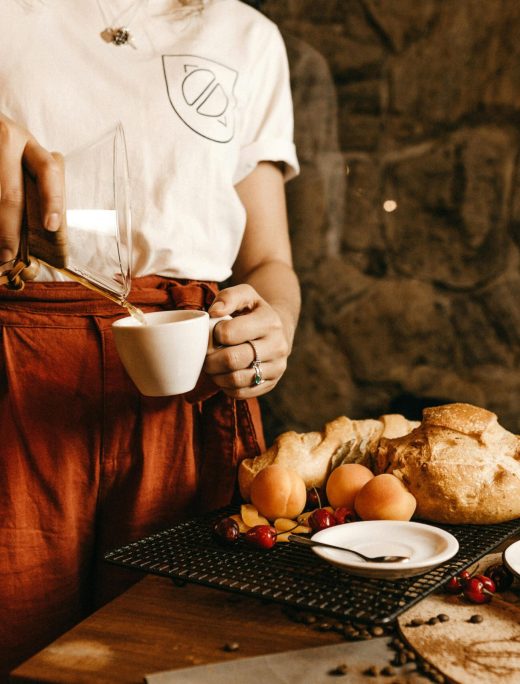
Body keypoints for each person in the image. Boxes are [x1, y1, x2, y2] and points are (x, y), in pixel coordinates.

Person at [0, 0, 300, 676]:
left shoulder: (246, 36)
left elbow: (268, 264)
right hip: (17, 375)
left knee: (176, 651)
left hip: (186, 394)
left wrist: (270, 329)